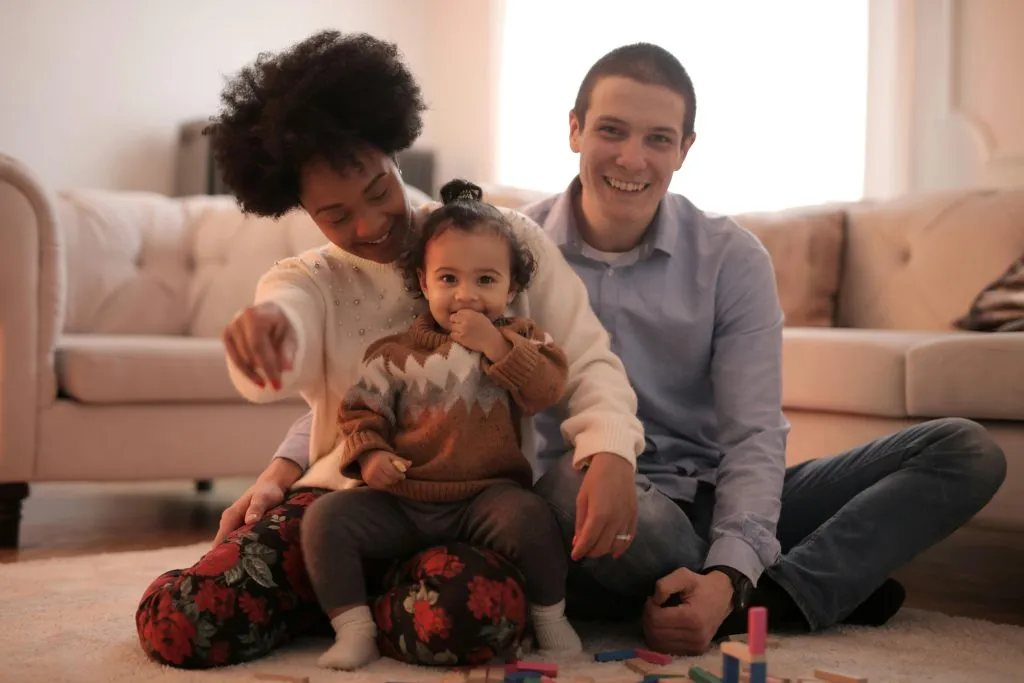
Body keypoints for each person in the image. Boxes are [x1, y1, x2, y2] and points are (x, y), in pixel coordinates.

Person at [259, 41, 1009, 656]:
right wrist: (286, 464)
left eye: (659, 138)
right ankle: (781, 581)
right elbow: (392, 363)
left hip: (706, 489)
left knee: (963, 450)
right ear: (575, 129)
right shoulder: (499, 249)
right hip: (581, 504)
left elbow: (753, 432)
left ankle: (755, 592)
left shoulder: (731, 258)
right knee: (572, 492)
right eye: (612, 130)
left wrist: (731, 564)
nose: (632, 157)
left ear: (684, 149)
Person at [135, 31, 644, 669]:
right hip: (347, 504)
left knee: (465, 619)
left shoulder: (501, 242)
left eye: (378, 190)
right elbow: (289, 347)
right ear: (300, 208)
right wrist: (266, 329)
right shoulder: (305, 279)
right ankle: (349, 598)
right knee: (184, 625)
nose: (371, 226)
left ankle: (347, 604)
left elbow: (586, 363)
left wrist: (611, 451)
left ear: (395, 150)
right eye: (336, 214)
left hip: (473, 505)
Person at [303, 178, 583, 670]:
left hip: (485, 499)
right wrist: (371, 457)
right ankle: (354, 628)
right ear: (423, 281)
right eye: (449, 279)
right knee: (325, 520)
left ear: (513, 287)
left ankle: (550, 616)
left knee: (532, 518)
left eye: (486, 281)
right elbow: (359, 414)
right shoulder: (393, 354)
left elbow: (546, 390)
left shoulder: (520, 339)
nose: (466, 297)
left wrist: (495, 346)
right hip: (404, 500)